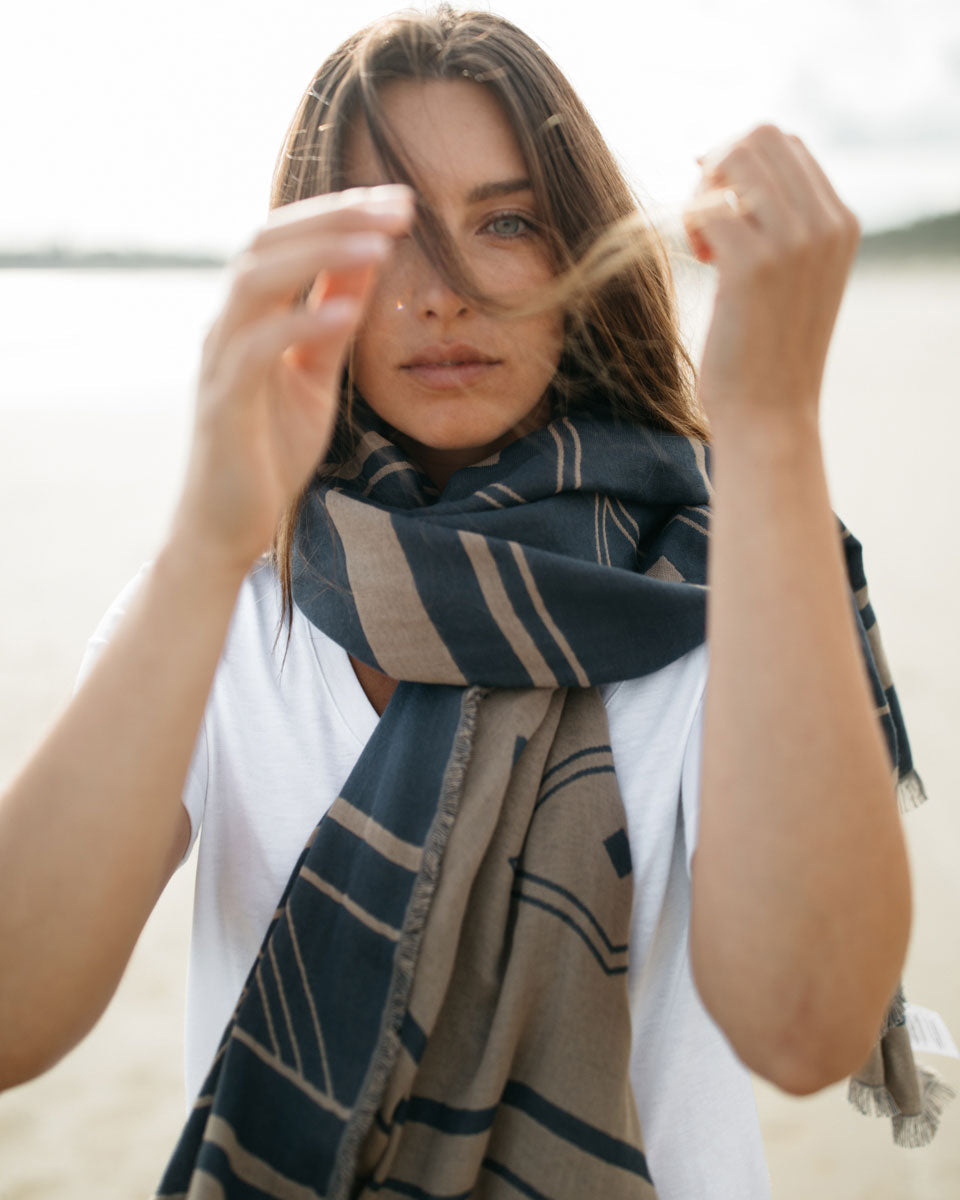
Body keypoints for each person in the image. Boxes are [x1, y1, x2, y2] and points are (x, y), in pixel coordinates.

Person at [0, 5, 930, 1198]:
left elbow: (808, 1030)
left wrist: (772, 431)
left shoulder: (732, 590)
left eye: (504, 221)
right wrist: (205, 538)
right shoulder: (216, 609)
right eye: (390, 235)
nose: (440, 295)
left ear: (579, 256)